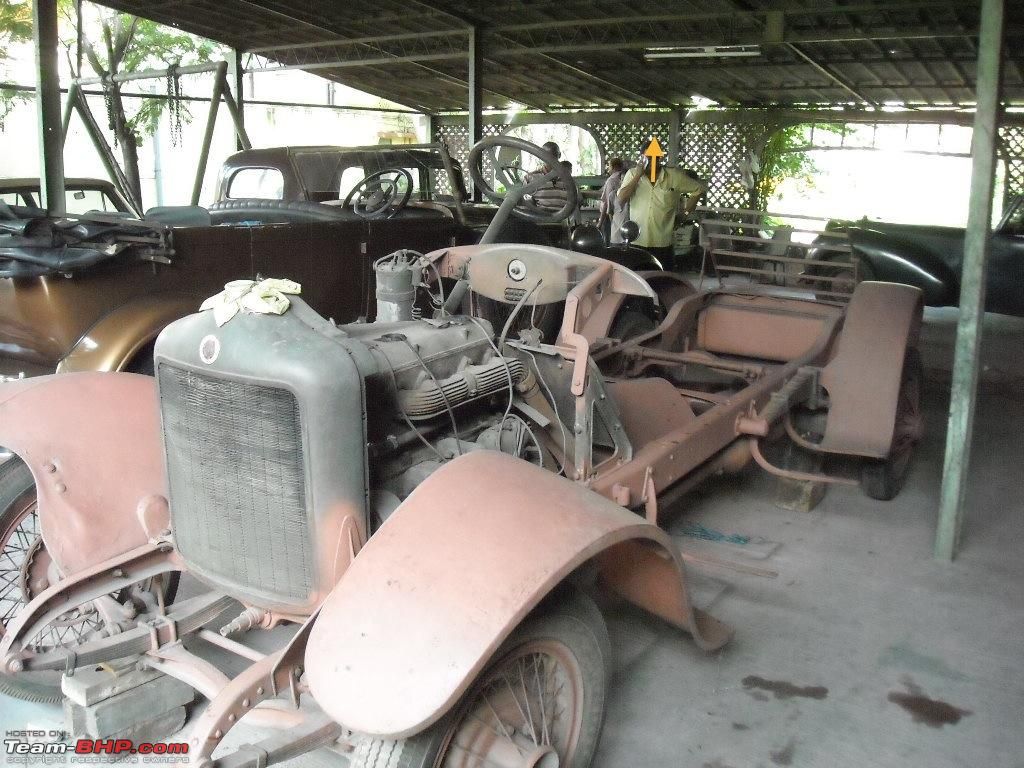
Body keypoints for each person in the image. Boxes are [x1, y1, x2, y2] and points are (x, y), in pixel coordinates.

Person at [617, 141, 706, 263]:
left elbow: (698, 189)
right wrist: (638, 176)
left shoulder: (673, 176)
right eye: (648, 158)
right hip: (637, 241)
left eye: (655, 158)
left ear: (660, 158)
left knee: (662, 280)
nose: (651, 161)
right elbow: (621, 199)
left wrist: (684, 214)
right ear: (642, 157)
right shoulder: (632, 174)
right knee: (640, 279)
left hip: (663, 243)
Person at [597, 157, 628, 243]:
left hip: (610, 216)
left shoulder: (611, 180)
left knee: (609, 241)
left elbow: (607, 203)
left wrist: (600, 222)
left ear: (614, 167)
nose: (608, 169)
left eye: (609, 166)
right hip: (623, 216)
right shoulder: (626, 178)